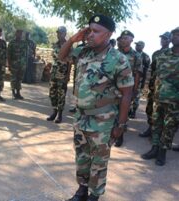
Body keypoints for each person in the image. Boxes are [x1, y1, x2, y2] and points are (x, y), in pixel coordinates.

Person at [59, 14, 133, 201]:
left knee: (99, 162)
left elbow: (127, 94)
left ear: (108, 34)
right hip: (80, 117)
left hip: (103, 120)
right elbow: (61, 56)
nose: (91, 34)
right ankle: (82, 190)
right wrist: (74, 39)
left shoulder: (118, 59)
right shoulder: (83, 52)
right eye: (89, 30)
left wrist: (121, 125)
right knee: (82, 157)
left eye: (96, 31)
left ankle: (95, 195)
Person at [141, 27, 179, 166]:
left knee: (169, 127)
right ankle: (154, 148)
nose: (175, 37)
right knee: (156, 124)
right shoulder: (162, 55)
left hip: (175, 101)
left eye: (178, 35)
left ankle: (162, 152)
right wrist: (150, 90)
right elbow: (154, 73)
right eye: (174, 34)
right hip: (158, 97)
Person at [139, 32, 171, 138]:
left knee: (161, 111)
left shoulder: (172, 53)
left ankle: (158, 133)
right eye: (162, 38)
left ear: (170, 41)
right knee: (149, 108)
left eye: (165, 39)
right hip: (153, 86)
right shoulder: (156, 53)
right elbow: (152, 69)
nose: (163, 40)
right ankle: (150, 128)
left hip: (165, 89)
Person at [116, 30, 142, 147]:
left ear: (132, 40)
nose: (123, 40)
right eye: (122, 38)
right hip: (113, 88)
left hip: (126, 90)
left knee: (123, 113)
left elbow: (137, 74)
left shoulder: (136, 56)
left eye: (126, 38)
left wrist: (134, 91)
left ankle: (120, 136)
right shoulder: (114, 53)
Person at [46, 26, 71, 123]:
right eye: (57, 33)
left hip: (62, 73)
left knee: (61, 94)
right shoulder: (55, 45)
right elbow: (53, 59)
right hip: (54, 73)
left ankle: (59, 115)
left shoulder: (68, 45)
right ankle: (54, 112)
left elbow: (70, 62)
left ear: (65, 33)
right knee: (52, 93)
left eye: (60, 33)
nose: (58, 35)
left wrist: (68, 75)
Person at [7, 29, 27, 99]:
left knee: (19, 79)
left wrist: (25, 64)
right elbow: (9, 54)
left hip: (21, 64)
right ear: (16, 34)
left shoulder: (24, 43)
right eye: (18, 33)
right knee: (13, 79)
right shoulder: (11, 43)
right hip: (14, 64)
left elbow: (25, 54)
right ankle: (13, 93)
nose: (20, 35)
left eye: (21, 34)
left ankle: (18, 93)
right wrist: (9, 64)